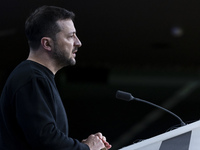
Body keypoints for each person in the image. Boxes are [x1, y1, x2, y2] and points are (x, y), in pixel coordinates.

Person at [0, 5, 112, 150]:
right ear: (47, 43)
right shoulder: (32, 78)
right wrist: (87, 148)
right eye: (71, 36)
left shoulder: (35, 76)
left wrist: (84, 146)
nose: (78, 42)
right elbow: (46, 140)